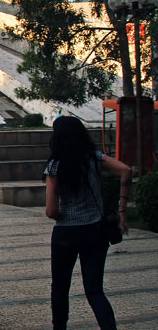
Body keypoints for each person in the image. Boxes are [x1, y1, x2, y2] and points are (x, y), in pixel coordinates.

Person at [45, 116, 132, 330]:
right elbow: (126, 170)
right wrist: (121, 209)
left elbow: (51, 211)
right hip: (95, 232)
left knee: (60, 288)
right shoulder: (94, 158)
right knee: (95, 291)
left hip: (65, 234)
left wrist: (63, 215)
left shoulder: (55, 166)